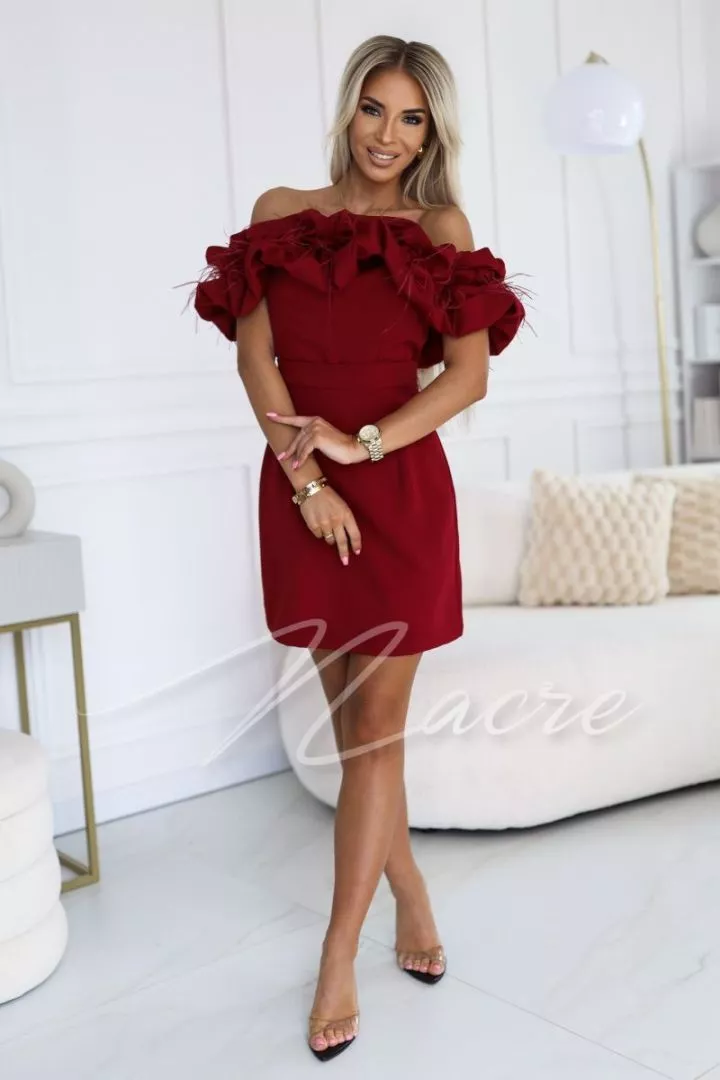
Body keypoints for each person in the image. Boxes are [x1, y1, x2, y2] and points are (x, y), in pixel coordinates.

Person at [189, 34, 527, 1062]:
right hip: (303, 491)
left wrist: (361, 444)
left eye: (412, 118)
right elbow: (257, 362)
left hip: (398, 489)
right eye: (375, 109)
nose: (389, 135)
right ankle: (411, 887)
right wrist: (308, 479)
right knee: (353, 731)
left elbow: (468, 376)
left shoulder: (440, 227)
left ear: (432, 133)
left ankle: (339, 953)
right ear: (348, 110)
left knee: (375, 733)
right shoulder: (279, 212)